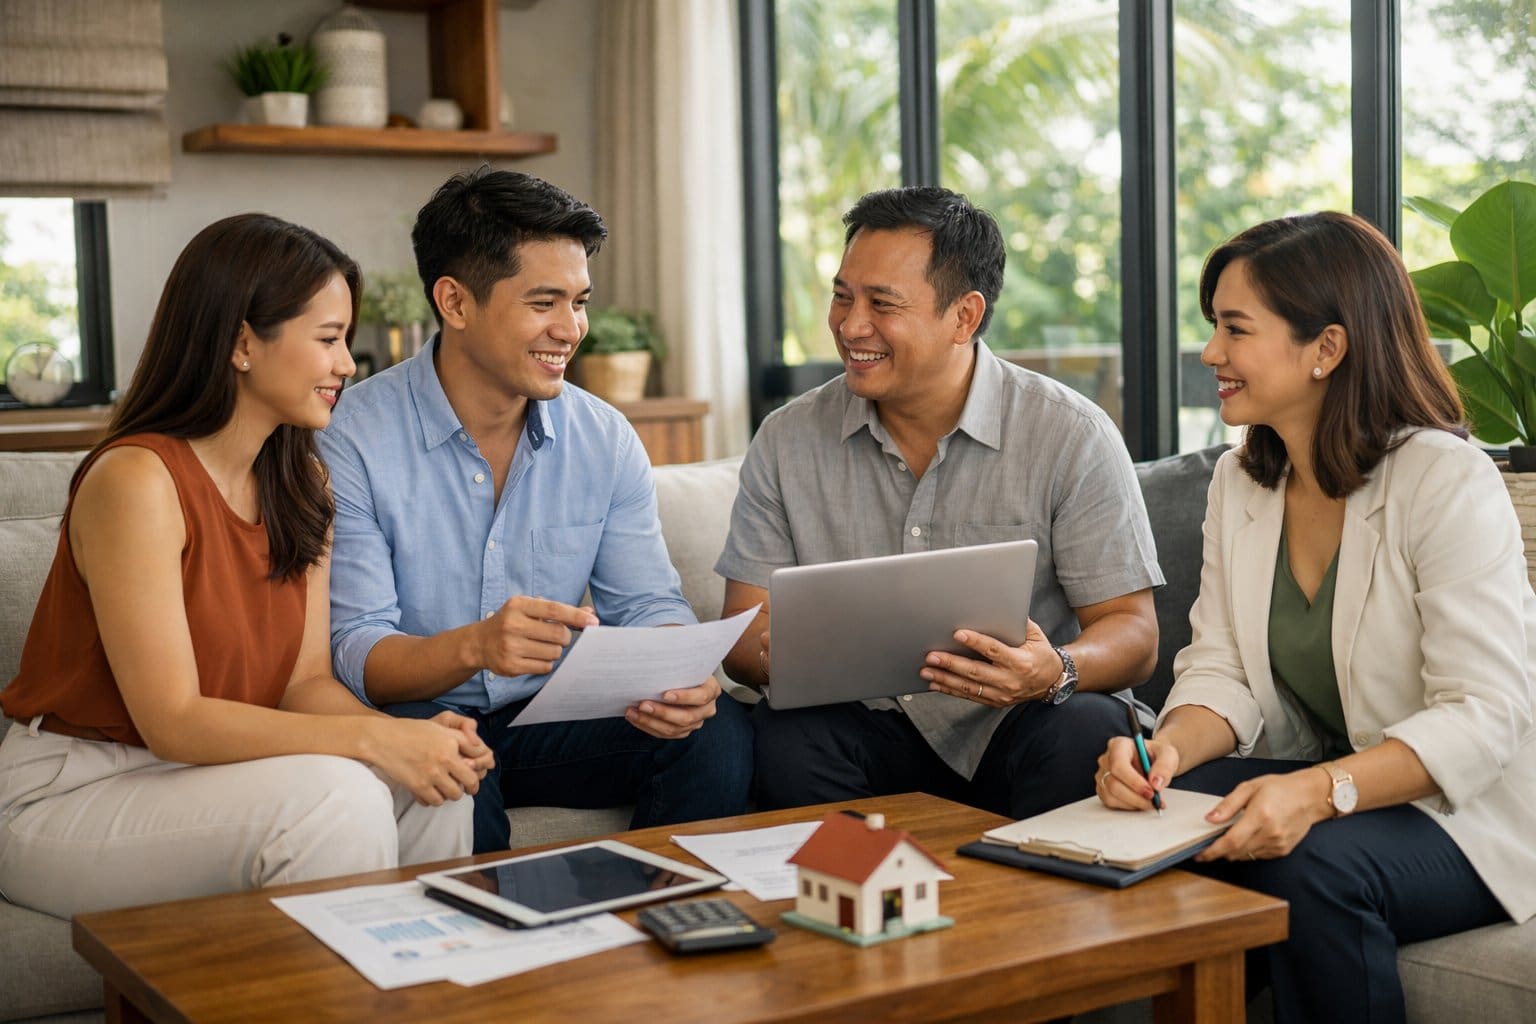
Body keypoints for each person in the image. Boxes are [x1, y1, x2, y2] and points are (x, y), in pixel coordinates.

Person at [1095, 212, 1536, 1023]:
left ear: (1326, 348)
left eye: (1235, 329)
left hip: (1472, 813)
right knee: (1134, 816)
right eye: (1213, 328)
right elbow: (1220, 669)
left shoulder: (1446, 480)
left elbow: (1484, 715)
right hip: (1339, 785)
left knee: (1311, 867)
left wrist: (1316, 792)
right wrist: (1164, 754)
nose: (1210, 354)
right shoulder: (1242, 482)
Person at [0, 214, 483, 919]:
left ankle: (423, 993)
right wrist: (372, 735)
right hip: (71, 790)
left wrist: (409, 745)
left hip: (213, 775)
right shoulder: (136, 481)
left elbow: (305, 684)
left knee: (432, 787)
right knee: (336, 796)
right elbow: (173, 720)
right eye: (327, 340)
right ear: (241, 342)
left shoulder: (304, 486)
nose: (348, 364)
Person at [318, 168, 752, 853]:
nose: (571, 329)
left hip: (553, 718)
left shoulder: (603, 437)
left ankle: (668, 932)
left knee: (715, 732)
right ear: (455, 302)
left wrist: (681, 675)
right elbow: (356, 651)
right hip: (419, 714)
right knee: (455, 781)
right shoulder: (351, 438)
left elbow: (645, 602)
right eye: (544, 302)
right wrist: (477, 646)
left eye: (579, 302)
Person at [717, 185, 1163, 821]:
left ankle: (1031, 915)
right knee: (787, 735)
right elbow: (741, 631)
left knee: (1088, 729)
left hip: (1019, 721)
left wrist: (1053, 669)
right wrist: (776, 657)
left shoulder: (1070, 433)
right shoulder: (788, 439)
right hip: (865, 727)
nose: (849, 325)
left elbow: (1135, 634)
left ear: (966, 316)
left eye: (882, 304)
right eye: (843, 295)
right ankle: (856, 908)